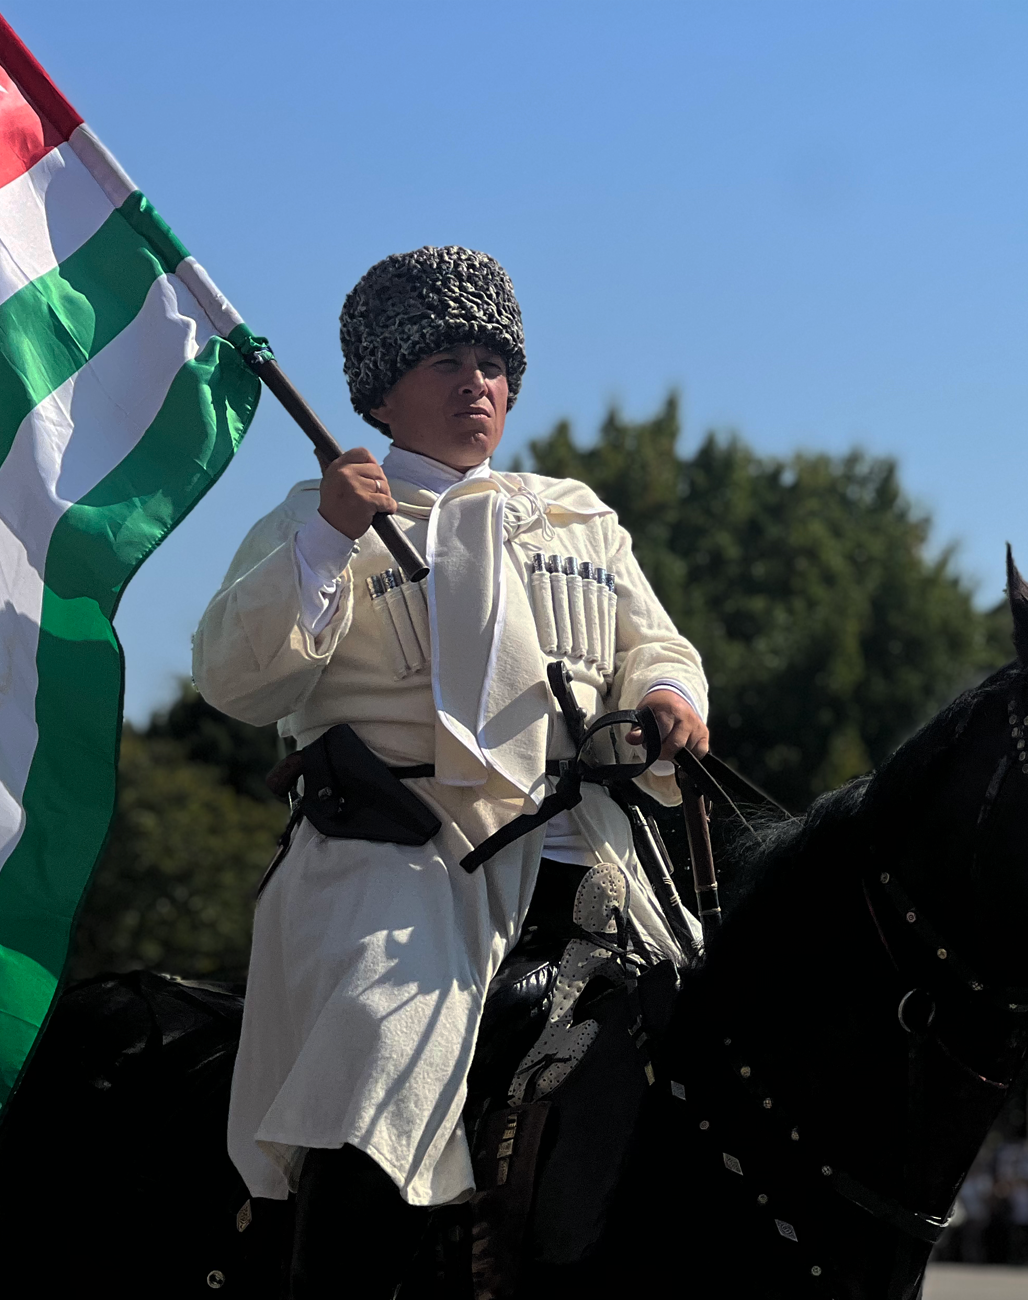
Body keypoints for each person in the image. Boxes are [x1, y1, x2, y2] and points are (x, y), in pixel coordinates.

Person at [192, 246, 708, 1296]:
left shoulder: (577, 516)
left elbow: (658, 645)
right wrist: (328, 541)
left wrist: (670, 702)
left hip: (595, 850)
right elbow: (232, 678)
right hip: (402, 858)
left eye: (493, 361)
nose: (479, 382)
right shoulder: (319, 514)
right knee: (377, 1055)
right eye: (447, 361)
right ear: (384, 389)